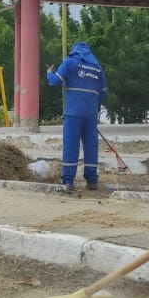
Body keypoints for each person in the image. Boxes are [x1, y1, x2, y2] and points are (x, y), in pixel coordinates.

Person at [46, 41, 107, 191]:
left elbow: (55, 82)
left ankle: (68, 181)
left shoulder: (69, 62)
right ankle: (92, 181)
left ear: (75, 51)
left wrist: (49, 73)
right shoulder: (97, 67)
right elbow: (104, 92)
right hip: (90, 115)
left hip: (73, 113)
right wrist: (92, 105)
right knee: (91, 147)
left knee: (71, 146)